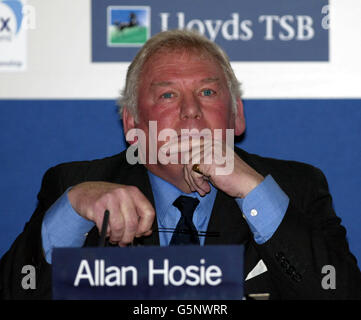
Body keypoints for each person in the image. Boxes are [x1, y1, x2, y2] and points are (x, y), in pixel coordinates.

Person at [0, 29, 360, 300]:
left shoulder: (296, 187)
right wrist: (73, 210)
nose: (190, 110)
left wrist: (252, 190)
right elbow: (18, 290)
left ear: (237, 117)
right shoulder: (76, 186)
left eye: (207, 92)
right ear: (131, 124)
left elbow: (339, 292)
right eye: (168, 95)